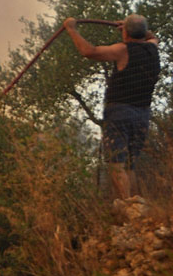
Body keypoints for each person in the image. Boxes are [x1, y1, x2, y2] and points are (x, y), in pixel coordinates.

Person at [63, 14, 160, 199]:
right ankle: (135, 206)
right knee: (130, 165)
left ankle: (128, 207)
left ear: (126, 33)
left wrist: (71, 29)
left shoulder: (123, 50)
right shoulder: (152, 47)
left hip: (120, 113)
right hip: (143, 114)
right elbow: (153, 36)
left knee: (116, 164)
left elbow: (89, 51)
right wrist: (133, 28)